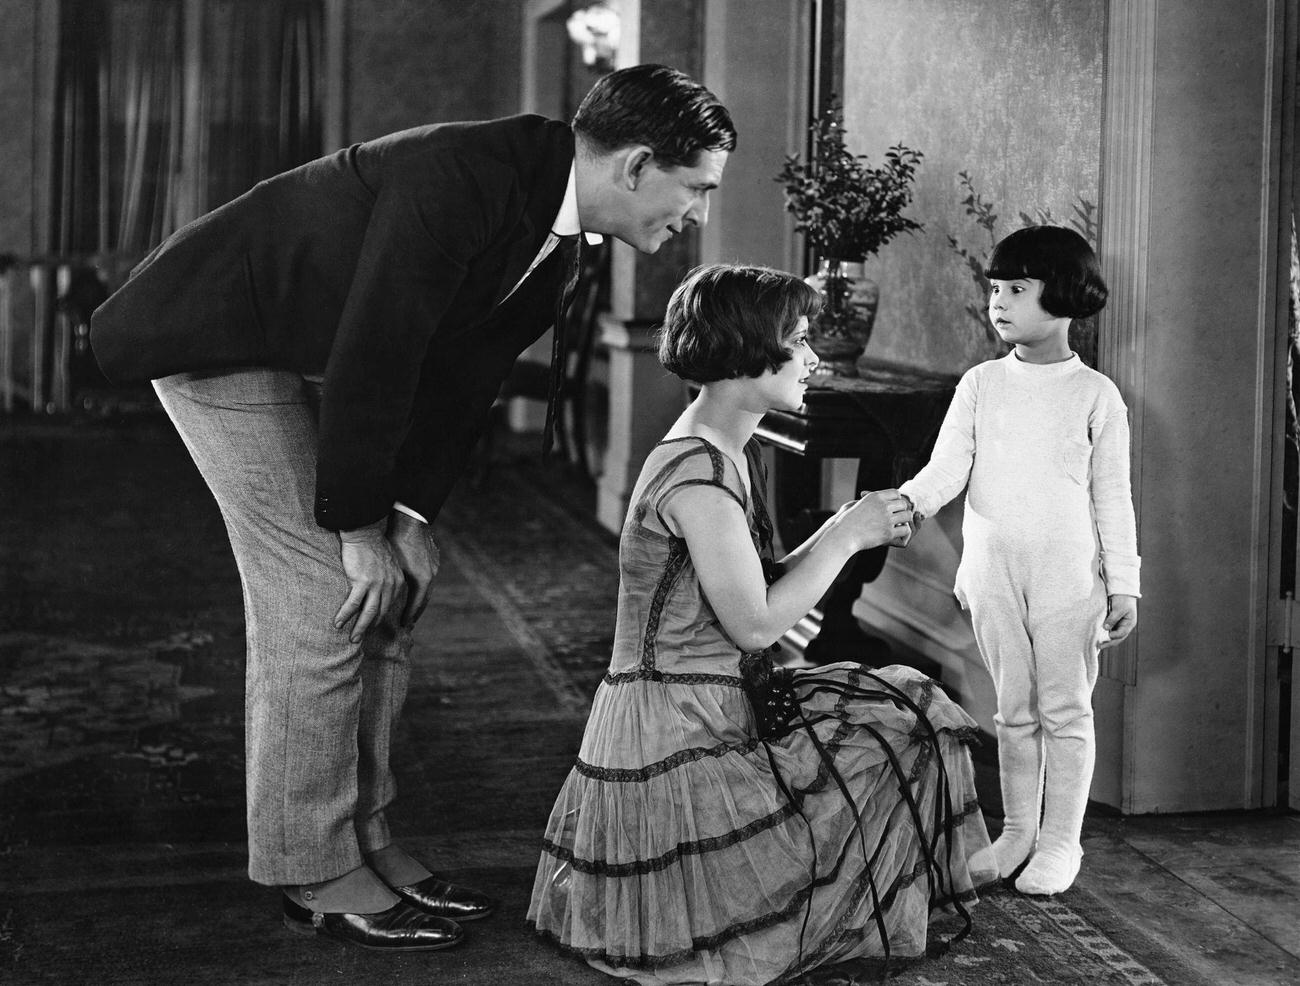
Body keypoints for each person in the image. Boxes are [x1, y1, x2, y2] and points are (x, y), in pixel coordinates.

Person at [88, 63, 736, 952]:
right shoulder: (467, 174)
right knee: (325, 594)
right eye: (695, 187)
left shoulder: (559, 236)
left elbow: (458, 383)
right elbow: (378, 352)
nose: (696, 213)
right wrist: (358, 529)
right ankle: (313, 873)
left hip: (307, 347)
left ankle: (367, 838)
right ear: (634, 166)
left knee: (391, 592)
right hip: (219, 340)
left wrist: (410, 521)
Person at [528, 264, 996, 986]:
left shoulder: (721, 449)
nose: (812, 359)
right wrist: (845, 536)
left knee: (909, 714)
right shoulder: (699, 478)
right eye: (799, 340)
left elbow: (760, 583)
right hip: (676, 733)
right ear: (746, 353)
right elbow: (754, 625)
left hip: (710, 703)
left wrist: (849, 524)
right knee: (905, 727)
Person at [898, 225, 1140, 896]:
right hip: (992, 575)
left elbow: (1112, 497)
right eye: (995, 289)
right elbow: (946, 469)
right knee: (1011, 711)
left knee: (1064, 709)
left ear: (1061, 295)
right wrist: (902, 504)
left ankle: (1062, 841)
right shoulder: (981, 385)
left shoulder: (1095, 397)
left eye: (1017, 290)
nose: (998, 303)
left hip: (1068, 581)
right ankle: (1017, 835)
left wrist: (1124, 585)